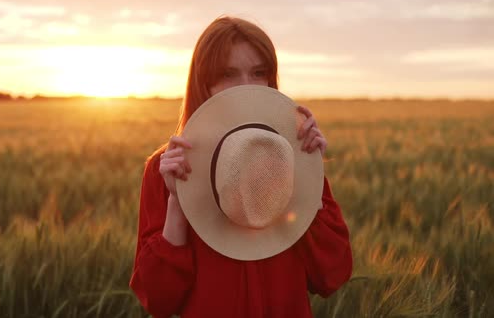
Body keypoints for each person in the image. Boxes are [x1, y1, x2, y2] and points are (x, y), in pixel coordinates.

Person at [129, 16, 352, 318]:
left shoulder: (291, 158)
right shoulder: (167, 169)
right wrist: (177, 203)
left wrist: (306, 173)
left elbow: (332, 274)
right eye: (228, 74)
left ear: (271, 80)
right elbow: (158, 301)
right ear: (203, 83)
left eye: (258, 73)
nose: (245, 87)